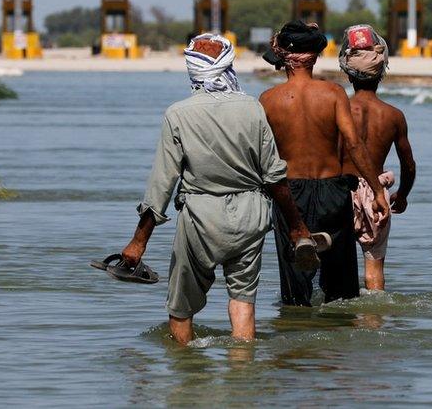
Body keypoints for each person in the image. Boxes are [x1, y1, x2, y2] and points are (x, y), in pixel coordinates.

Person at [117, 33, 318, 346]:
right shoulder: (252, 109)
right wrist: (297, 228)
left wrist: (137, 243)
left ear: (193, 71)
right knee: (242, 301)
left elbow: (162, 184)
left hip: (201, 217)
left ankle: (186, 377)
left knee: (181, 308)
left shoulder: (178, 114)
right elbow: (275, 177)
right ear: (228, 67)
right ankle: (242, 377)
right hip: (252, 215)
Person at [259, 20, 390, 306]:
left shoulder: (267, 100)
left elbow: (261, 157)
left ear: (284, 57)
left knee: (295, 294)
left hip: (290, 195)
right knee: (341, 293)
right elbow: (354, 145)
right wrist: (377, 192)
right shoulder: (333, 94)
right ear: (316, 56)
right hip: (332, 192)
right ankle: (337, 343)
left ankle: (296, 340)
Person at [339, 24, 416, 291]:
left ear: (348, 74)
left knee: (334, 265)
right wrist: (403, 194)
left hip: (340, 189)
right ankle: (374, 321)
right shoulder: (393, 115)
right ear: (381, 72)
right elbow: (408, 163)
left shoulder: (339, 109)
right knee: (374, 268)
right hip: (376, 194)